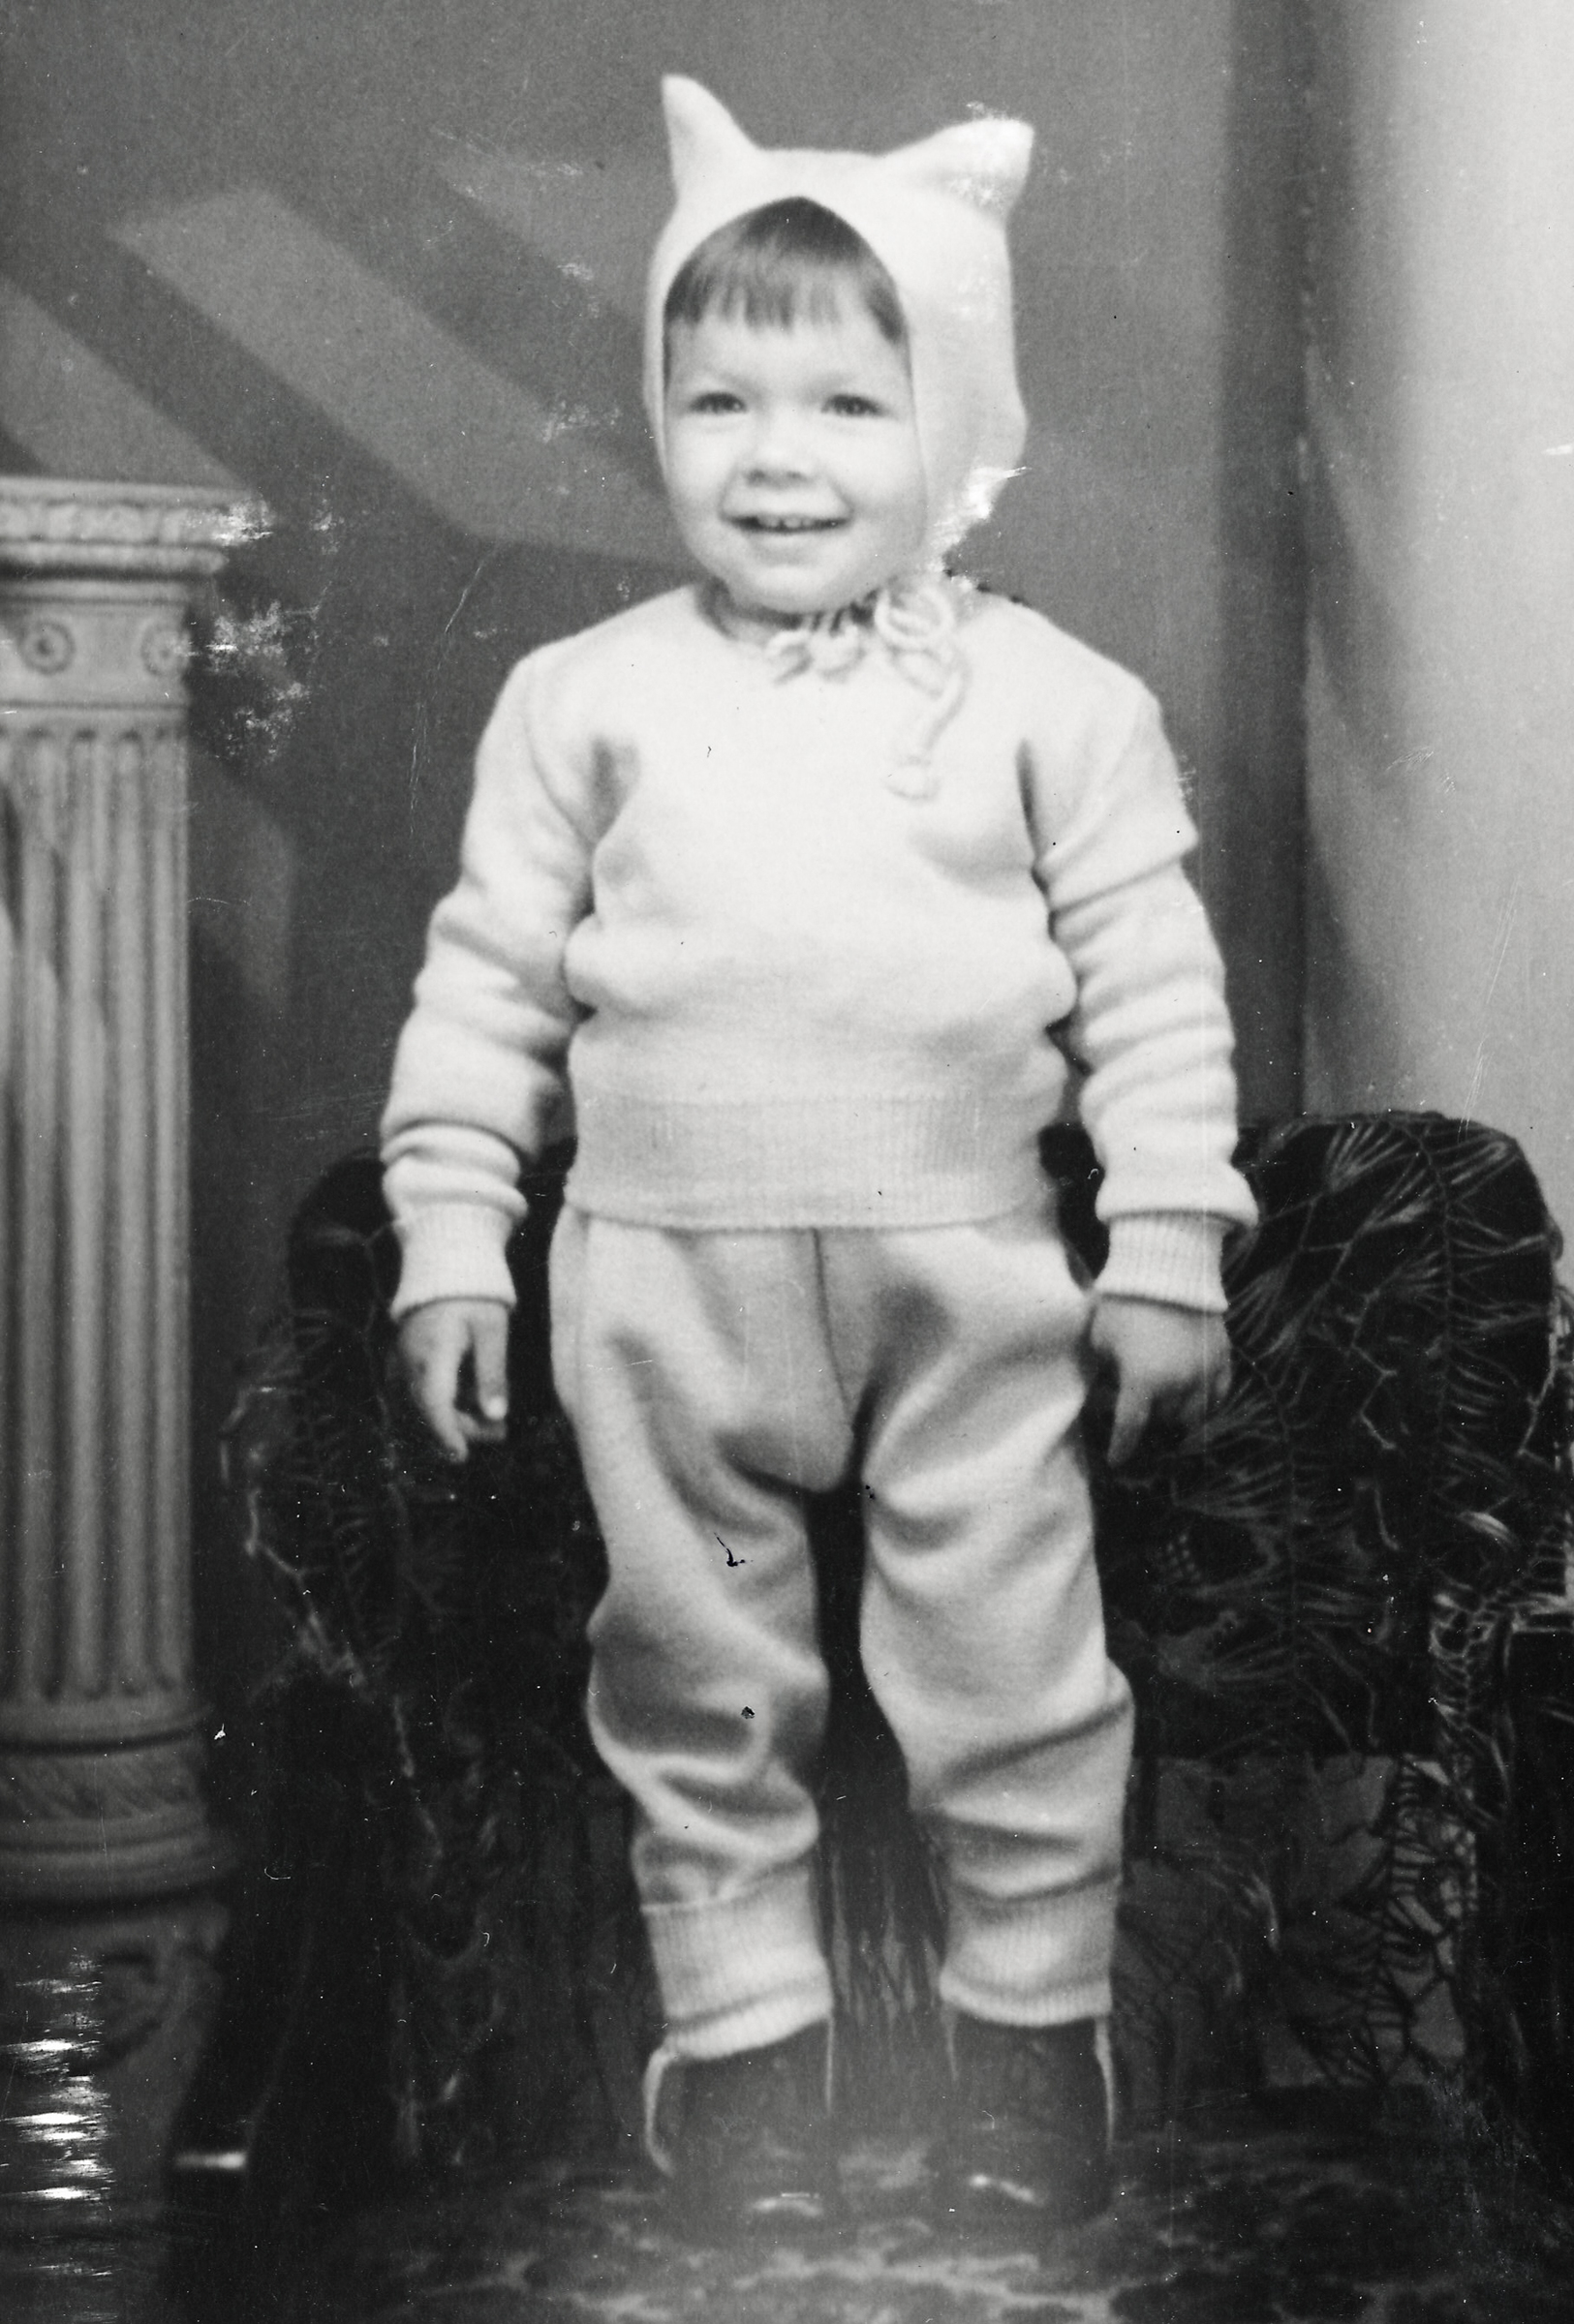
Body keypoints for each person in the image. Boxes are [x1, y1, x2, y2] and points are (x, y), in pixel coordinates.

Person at [381, 75, 1255, 2242]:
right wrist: (453, 1239)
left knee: (1012, 1669)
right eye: (719, 401)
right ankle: (748, 2051)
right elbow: (486, 990)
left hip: (966, 1276)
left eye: (851, 406)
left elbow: (1153, 988)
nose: (775, 457)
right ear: (659, 420)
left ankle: (1031, 2040)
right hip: (660, 1281)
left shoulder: (1056, 699)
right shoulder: (580, 697)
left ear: (956, 431)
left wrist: (1164, 1242)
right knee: (692, 1676)